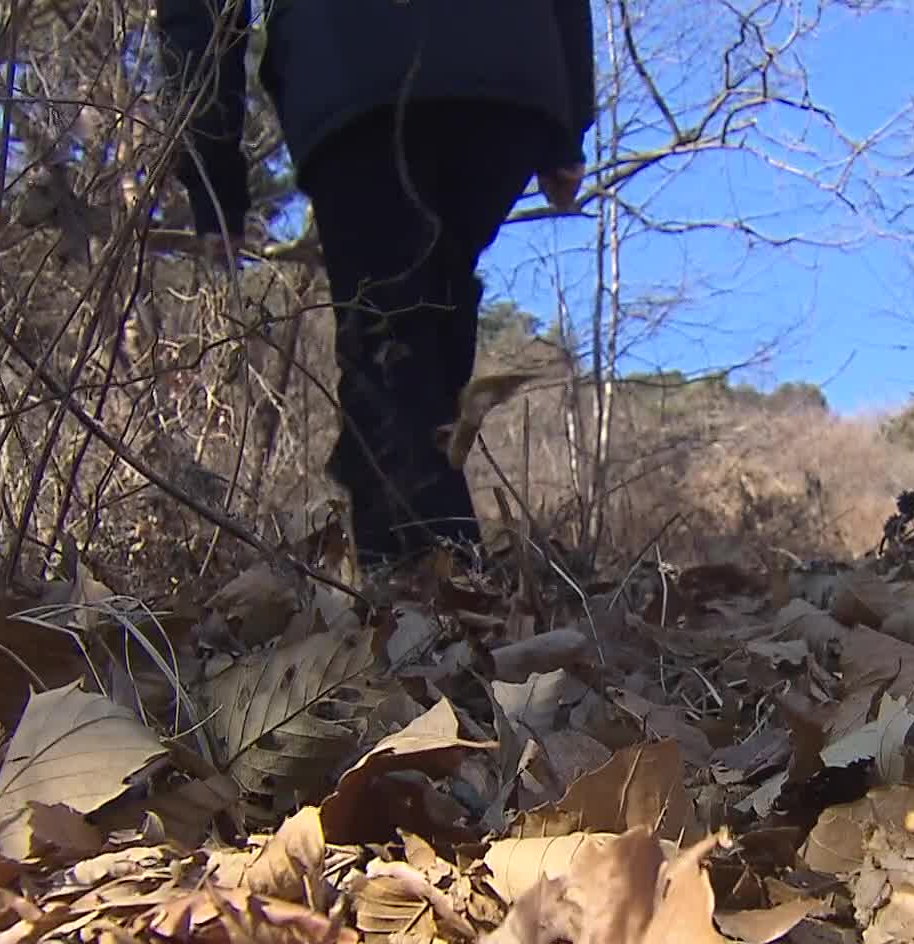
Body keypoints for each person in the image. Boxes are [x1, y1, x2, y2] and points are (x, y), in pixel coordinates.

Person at [155, 0, 596, 564]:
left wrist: (212, 170)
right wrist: (568, 124)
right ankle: (420, 588)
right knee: (425, 324)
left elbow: (198, 12)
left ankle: (435, 600)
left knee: (390, 342)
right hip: (513, 72)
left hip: (353, 73)